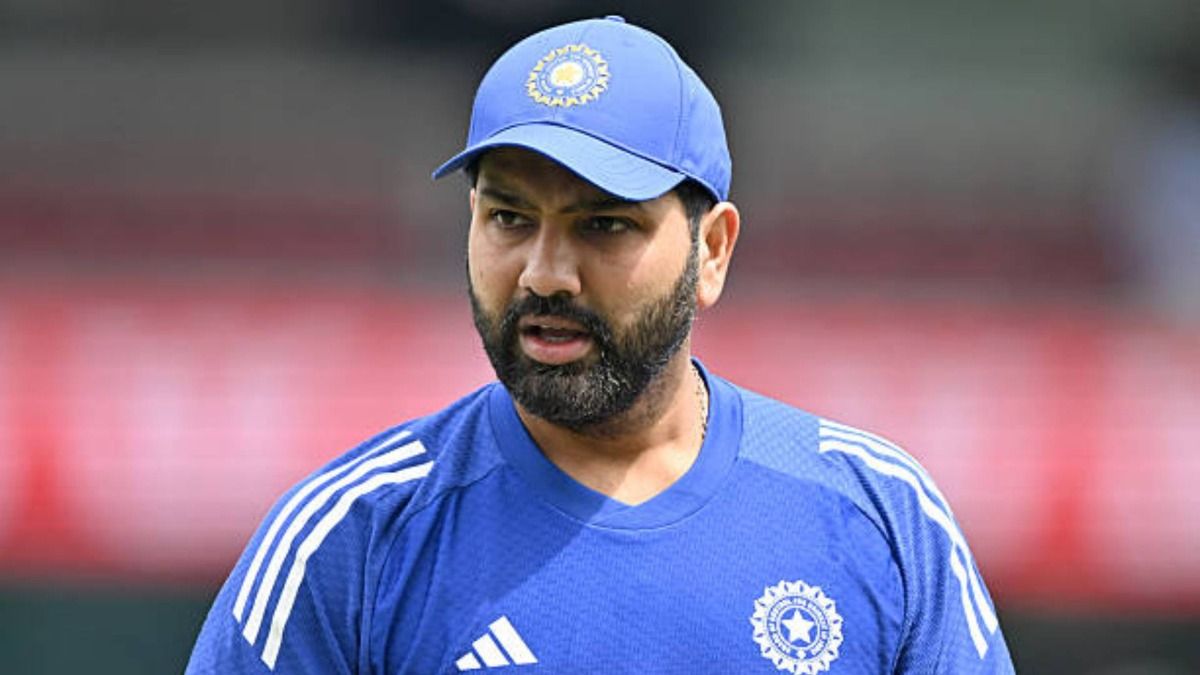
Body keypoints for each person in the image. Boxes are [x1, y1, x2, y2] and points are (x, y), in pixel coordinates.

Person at [186, 15, 1015, 674]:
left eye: (604, 225)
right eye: (509, 217)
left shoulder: (879, 515)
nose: (546, 274)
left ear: (712, 251)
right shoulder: (352, 537)